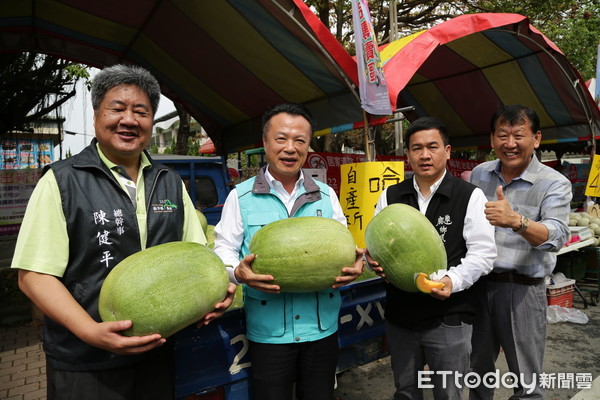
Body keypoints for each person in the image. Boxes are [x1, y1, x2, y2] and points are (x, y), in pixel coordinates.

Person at [11, 64, 236, 400]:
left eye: (141, 112)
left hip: (156, 353)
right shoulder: (61, 181)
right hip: (86, 362)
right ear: (96, 115)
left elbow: (198, 256)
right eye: (117, 108)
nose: (128, 120)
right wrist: (91, 332)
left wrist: (221, 289)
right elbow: (34, 275)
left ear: (150, 121)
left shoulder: (169, 182)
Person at [213, 102, 364, 400]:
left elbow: (343, 244)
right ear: (266, 142)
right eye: (281, 139)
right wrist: (237, 273)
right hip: (269, 333)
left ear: (308, 146)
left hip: (321, 329)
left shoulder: (326, 195)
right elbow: (223, 249)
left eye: (300, 140)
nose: (290, 148)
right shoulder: (240, 196)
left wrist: (354, 265)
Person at [366, 117, 497, 400]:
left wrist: (453, 279)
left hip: (449, 317)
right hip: (401, 316)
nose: (424, 155)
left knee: (448, 393)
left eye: (432, 147)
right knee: (406, 391)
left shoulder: (470, 196)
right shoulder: (391, 195)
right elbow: (375, 242)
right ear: (408, 154)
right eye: (416, 148)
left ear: (447, 151)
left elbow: (484, 253)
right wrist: (372, 262)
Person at [469, 104, 572, 400]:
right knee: (477, 372)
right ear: (492, 140)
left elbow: (557, 235)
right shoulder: (480, 174)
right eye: (502, 135)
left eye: (518, 135)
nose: (509, 144)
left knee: (526, 380)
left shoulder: (554, 183)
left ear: (536, 139)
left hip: (522, 292)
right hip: (479, 286)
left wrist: (517, 221)